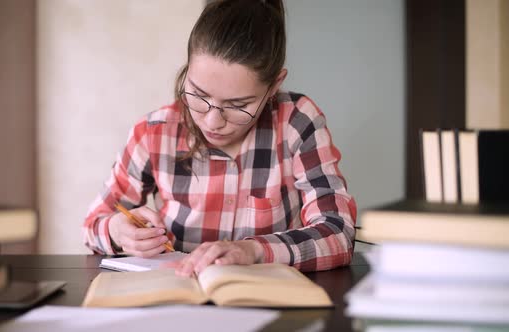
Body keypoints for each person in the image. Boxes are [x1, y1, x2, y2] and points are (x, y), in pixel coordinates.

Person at [83, 0, 357, 277]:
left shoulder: (296, 121)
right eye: (199, 95)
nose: (213, 122)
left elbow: (338, 232)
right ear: (188, 69)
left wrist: (254, 251)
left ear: (274, 85)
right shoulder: (154, 133)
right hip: (178, 296)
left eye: (238, 105)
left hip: (270, 302)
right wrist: (117, 230)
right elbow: (94, 224)